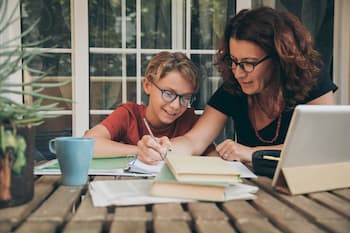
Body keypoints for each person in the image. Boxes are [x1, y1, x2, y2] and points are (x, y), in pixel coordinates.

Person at [137, 7, 337, 165]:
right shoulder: (233, 88)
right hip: (254, 191)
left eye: (248, 63)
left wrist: (251, 153)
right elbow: (194, 141)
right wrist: (162, 150)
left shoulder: (311, 78)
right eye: (234, 61)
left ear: (278, 58)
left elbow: (322, 147)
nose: (238, 72)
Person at [84, 51, 214, 158]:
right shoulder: (129, 115)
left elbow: (214, 158)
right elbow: (88, 144)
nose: (175, 105)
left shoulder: (190, 121)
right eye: (168, 93)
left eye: (185, 98)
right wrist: (140, 151)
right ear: (147, 85)